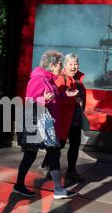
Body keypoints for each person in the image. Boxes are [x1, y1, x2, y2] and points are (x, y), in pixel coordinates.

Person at [15, 50, 77, 199]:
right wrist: (44, 99)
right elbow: (31, 101)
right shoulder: (38, 79)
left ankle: (57, 189)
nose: (61, 68)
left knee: (52, 153)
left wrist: (65, 95)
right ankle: (20, 185)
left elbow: (54, 97)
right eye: (60, 65)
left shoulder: (49, 79)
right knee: (32, 155)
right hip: (37, 123)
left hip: (46, 123)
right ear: (52, 65)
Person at [41, 53, 86, 185]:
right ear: (65, 66)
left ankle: (71, 171)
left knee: (75, 145)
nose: (74, 67)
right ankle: (48, 167)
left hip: (75, 119)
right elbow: (56, 98)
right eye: (70, 64)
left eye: (76, 64)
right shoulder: (61, 78)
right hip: (63, 120)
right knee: (58, 145)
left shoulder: (79, 80)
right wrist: (74, 99)